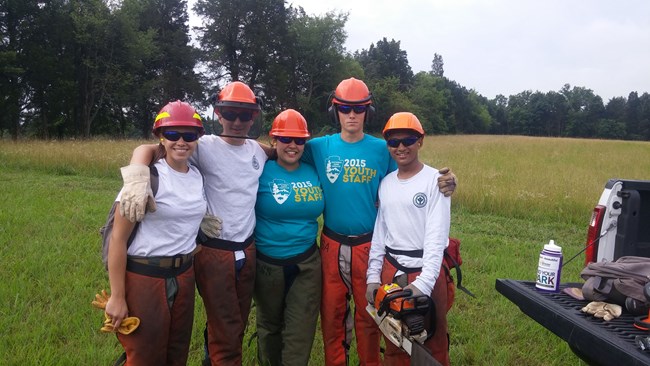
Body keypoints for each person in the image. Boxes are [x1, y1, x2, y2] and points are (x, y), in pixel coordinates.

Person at [301, 77, 457, 365]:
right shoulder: (318, 147)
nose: (351, 114)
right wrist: (248, 150)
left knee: (371, 316)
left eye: (358, 109)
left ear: (367, 111)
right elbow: (286, 152)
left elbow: (408, 177)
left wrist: (446, 181)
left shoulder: (378, 149)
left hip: (368, 242)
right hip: (332, 241)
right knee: (333, 315)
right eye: (344, 108)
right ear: (334, 110)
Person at [118, 81, 267, 366]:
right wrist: (138, 171)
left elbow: (284, 149)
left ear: (254, 116)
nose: (237, 122)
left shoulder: (257, 151)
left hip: (248, 249)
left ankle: (212, 357)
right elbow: (156, 145)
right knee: (225, 325)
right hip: (214, 250)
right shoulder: (204, 145)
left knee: (236, 320)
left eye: (245, 115)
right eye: (230, 113)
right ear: (218, 113)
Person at [105, 100, 207, 365]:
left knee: (177, 353)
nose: (181, 141)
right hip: (145, 277)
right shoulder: (145, 179)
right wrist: (117, 296)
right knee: (144, 355)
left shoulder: (197, 176)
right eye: (172, 134)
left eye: (190, 134)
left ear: (198, 138)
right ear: (161, 137)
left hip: (184, 275)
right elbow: (118, 238)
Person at [366, 112, 451, 366]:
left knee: (432, 340)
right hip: (392, 271)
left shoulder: (436, 182)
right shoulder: (386, 183)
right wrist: (372, 277)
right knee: (395, 340)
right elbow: (380, 234)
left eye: (408, 140)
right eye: (394, 142)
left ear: (420, 141)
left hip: (426, 271)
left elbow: (436, 238)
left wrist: (423, 285)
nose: (401, 147)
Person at [253, 109, 324, 365]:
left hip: (306, 263)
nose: (293, 145)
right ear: (273, 140)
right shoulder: (259, 168)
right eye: (286, 139)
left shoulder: (313, 169)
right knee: (270, 326)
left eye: (300, 140)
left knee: (300, 330)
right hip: (267, 264)